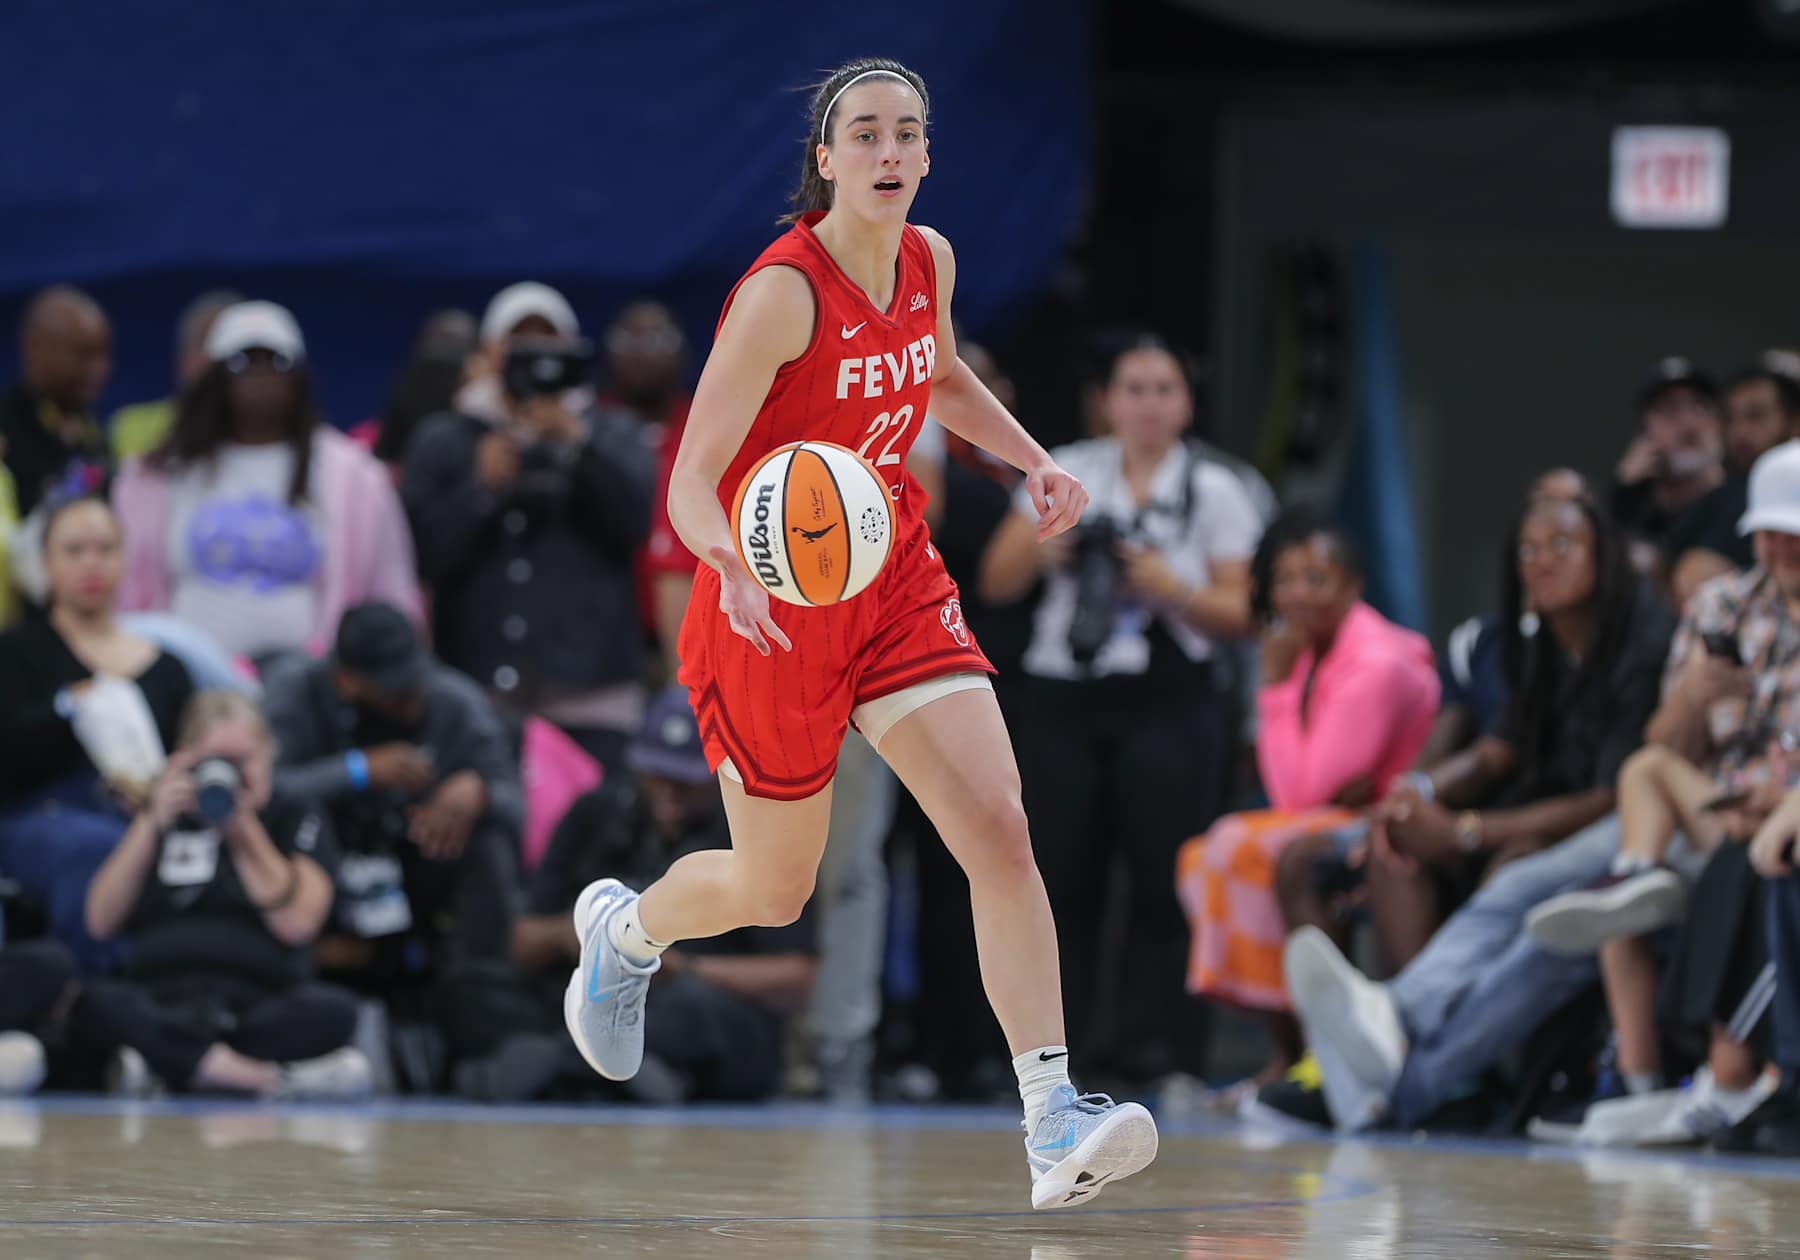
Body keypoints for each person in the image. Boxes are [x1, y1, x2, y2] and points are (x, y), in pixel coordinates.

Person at [563, 58, 1157, 1211]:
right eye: (866, 136)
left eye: (909, 135)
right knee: (774, 889)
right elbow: (688, 482)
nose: (890, 153)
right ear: (826, 162)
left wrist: (1035, 462)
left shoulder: (926, 258)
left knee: (997, 824)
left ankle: (1050, 1120)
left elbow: (936, 378)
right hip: (768, 606)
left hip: (890, 582)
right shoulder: (780, 295)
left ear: (928, 156)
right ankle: (628, 934)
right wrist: (728, 558)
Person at [1279, 443, 1800, 1135]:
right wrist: (1424, 793)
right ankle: (1394, 1086)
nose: (1542, 561)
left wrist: (1468, 831)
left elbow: (1618, 780)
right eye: (1766, 530)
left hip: (1714, 825)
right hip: (1685, 809)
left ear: (1603, 552)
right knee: (1537, 923)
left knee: (1536, 882)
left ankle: (1393, 1026)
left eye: (1562, 543)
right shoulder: (1719, 607)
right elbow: (1540, 747)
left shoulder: (1639, 633)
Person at [979, 333, 1260, 1087]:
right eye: (1132, 389)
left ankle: (1160, 1055)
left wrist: (1171, 585)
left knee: (1165, 883)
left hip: (1170, 701)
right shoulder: (1064, 465)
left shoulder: (1217, 489)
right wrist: (1049, 548)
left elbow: (1248, 612)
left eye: (1164, 389)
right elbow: (995, 581)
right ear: (1106, 399)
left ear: (1187, 402)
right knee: (1058, 879)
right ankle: (1055, 1060)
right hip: (1064, 695)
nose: (1148, 405)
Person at [1177, 513, 1438, 1085]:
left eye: (1316, 579)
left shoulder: (1375, 663)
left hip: (1388, 824)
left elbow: (1298, 793)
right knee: (1204, 853)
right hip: (1338, 813)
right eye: (1286, 580)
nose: (1297, 594)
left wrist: (1272, 685)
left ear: (1353, 585)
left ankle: (1302, 1057)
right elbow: (1309, 789)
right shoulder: (1311, 649)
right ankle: (1293, 1055)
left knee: (1238, 848)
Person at [501, 687, 816, 1103]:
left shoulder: (751, 828)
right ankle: (615, 1071)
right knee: (483, 988)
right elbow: (518, 941)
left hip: (694, 996)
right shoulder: (597, 812)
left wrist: (686, 968)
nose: (670, 799)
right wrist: (582, 936)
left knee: (696, 1009)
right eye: (659, 777)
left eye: (685, 783)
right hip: (588, 983)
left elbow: (799, 977)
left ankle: (562, 1065)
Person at [400, 283, 653, 776]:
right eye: (518, 344)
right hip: (480, 692)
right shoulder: (447, 437)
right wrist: (482, 489)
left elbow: (632, 525)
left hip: (593, 694)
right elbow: (424, 557)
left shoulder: (611, 432)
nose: (536, 361)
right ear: (489, 352)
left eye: (549, 344)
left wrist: (577, 448)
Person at [71, 691, 369, 1098]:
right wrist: (150, 821)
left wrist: (241, 827)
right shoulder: (163, 813)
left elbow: (298, 923)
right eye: (215, 761)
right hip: (163, 997)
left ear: (267, 754)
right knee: (93, 1003)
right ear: (186, 759)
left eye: (241, 761)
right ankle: (260, 1078)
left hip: (257, 1003)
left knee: (334, 1010)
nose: (227, 775)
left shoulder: (294, 811)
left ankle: (171, 1065)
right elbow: (99, 921)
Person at [111, 300, 423, 664]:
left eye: (277, 362)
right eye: (242, 362)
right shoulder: (158, 475)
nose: (260, 376)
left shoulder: (354, 478)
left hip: (313, 686)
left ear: (299, 377)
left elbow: (392, 589)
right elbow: (123, 588)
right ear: (215, 378)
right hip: (184, 675)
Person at [261, 603, 524, 1009]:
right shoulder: (297, 689)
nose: (413, 695)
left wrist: (479, 790)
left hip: (419, 862)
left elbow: (518, 803)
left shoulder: (453, 698)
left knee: (489, 844)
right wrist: (358, 770)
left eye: (414, 677)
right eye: (394, 689)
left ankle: (481, 999)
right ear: (346, 680)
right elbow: (267, 791)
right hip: (328, 867)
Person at [0, 495, 195, 972]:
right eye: (74, 549)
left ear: (125, 557)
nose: (92, 562)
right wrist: (72, 707)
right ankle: (92, 998)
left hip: (151, 813)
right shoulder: (17, 652)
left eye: (105, 548)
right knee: (96, 846)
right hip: (42, 817)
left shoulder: (167, 665)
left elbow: (191, 751)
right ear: (46, 562)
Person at [1610, 357, 1749, 586]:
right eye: (1669, 410)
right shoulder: (1631, 508)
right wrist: (1622, 493)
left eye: (1701, 407)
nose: (1689, 424)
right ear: (1644, 432)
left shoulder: (1743, 505)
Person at [0, 286, 112, 520]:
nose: (99, 370)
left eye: (103, 354)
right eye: (83, 355)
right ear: (35, 349)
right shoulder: (6, 426)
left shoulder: (93, 432)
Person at [107, 290, 242, 463]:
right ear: (184, 358)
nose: (214, 359)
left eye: (233, 352)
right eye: (206, 343)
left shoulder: (271, 435)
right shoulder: (129, 427)